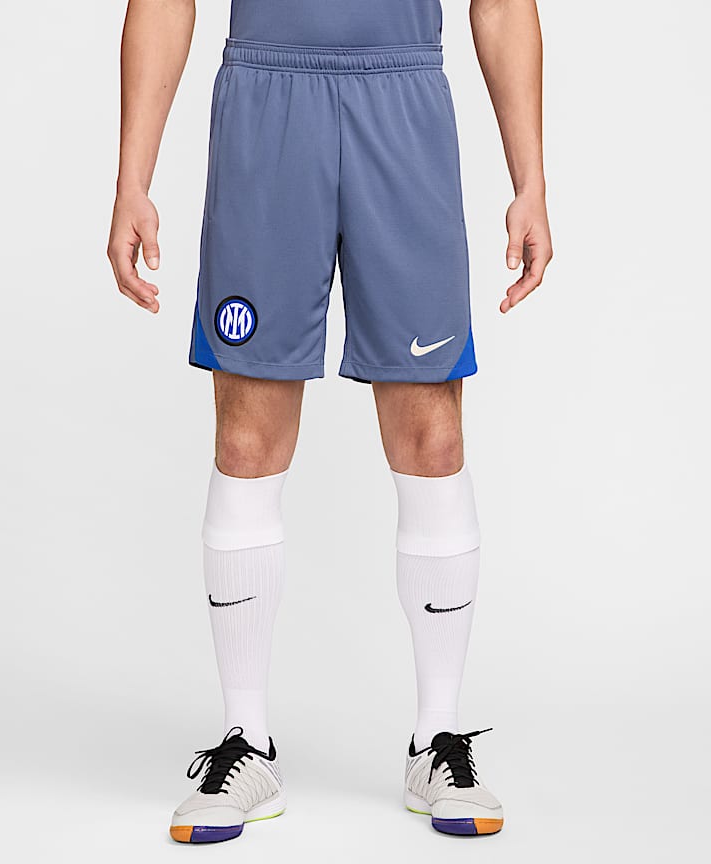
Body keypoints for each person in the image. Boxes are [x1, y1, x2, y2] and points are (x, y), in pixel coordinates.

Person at [107, 0, 552, 844]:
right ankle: (246, 741)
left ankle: (437, 738)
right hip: (267, 97)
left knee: (432, 434)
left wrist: (529, 179)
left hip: (403, 97)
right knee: (247, 435)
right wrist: (133, 176)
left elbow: (500, 4)